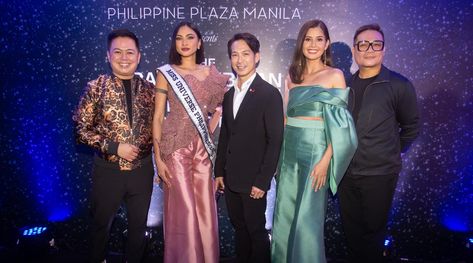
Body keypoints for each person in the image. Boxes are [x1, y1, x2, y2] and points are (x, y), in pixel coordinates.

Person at [271, 19, 358, 263]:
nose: (313, 44)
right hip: (289, 154)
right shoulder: (291, 75)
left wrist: (326, 160)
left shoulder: (334, 75)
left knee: (307, 219)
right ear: (301, 43)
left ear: (327, 43)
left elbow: (341, 126)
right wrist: (278, 160)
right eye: (308, 39)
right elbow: (286, 119)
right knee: (285, 214)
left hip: (317, 153)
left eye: (319, 39)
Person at [338, 23, 419, 263]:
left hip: (379, 173)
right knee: (351, 234)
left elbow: (411, 127)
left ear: (384, 50)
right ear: (354, 51)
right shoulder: (344, 86)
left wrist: (388, 151)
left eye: (376, 44)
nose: (369, 49)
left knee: (373, 234)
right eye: (363, 44)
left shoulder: (399, 85)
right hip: (345, 174)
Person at [73, 29, 155, 263]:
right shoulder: (95, 88)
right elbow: (80, 131)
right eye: (117, 52)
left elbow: (160, 130)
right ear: (108, 56)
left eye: (130, 52)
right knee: (101, 227)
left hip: (143, 171)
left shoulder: (151, 91)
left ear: (139, 57)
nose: (124, 57)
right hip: (108, 172)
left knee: (138, 228)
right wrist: (113, 147)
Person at [152, 22, 229, 263]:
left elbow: (219, 109)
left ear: (199, 42)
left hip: (204, 149)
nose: (184, 42)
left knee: (206, 209)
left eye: (190, 37)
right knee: (183, 210)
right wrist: (157, 157)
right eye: (179, 38)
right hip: (175, 147)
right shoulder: (166, 73)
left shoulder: (213, 75)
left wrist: (212, 124)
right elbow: (157, 116)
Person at [214, 32, 284, 263]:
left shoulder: (269, 93)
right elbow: (225, 135)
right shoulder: (229, 94)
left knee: (256, 231)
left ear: (257, 57)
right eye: (235, 55)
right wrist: (219, 171)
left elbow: (275, 140)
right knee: (239, 228)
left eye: (245, 54)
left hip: (254, 181)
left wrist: (262, 181)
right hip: (231, 178)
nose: (240, 60)